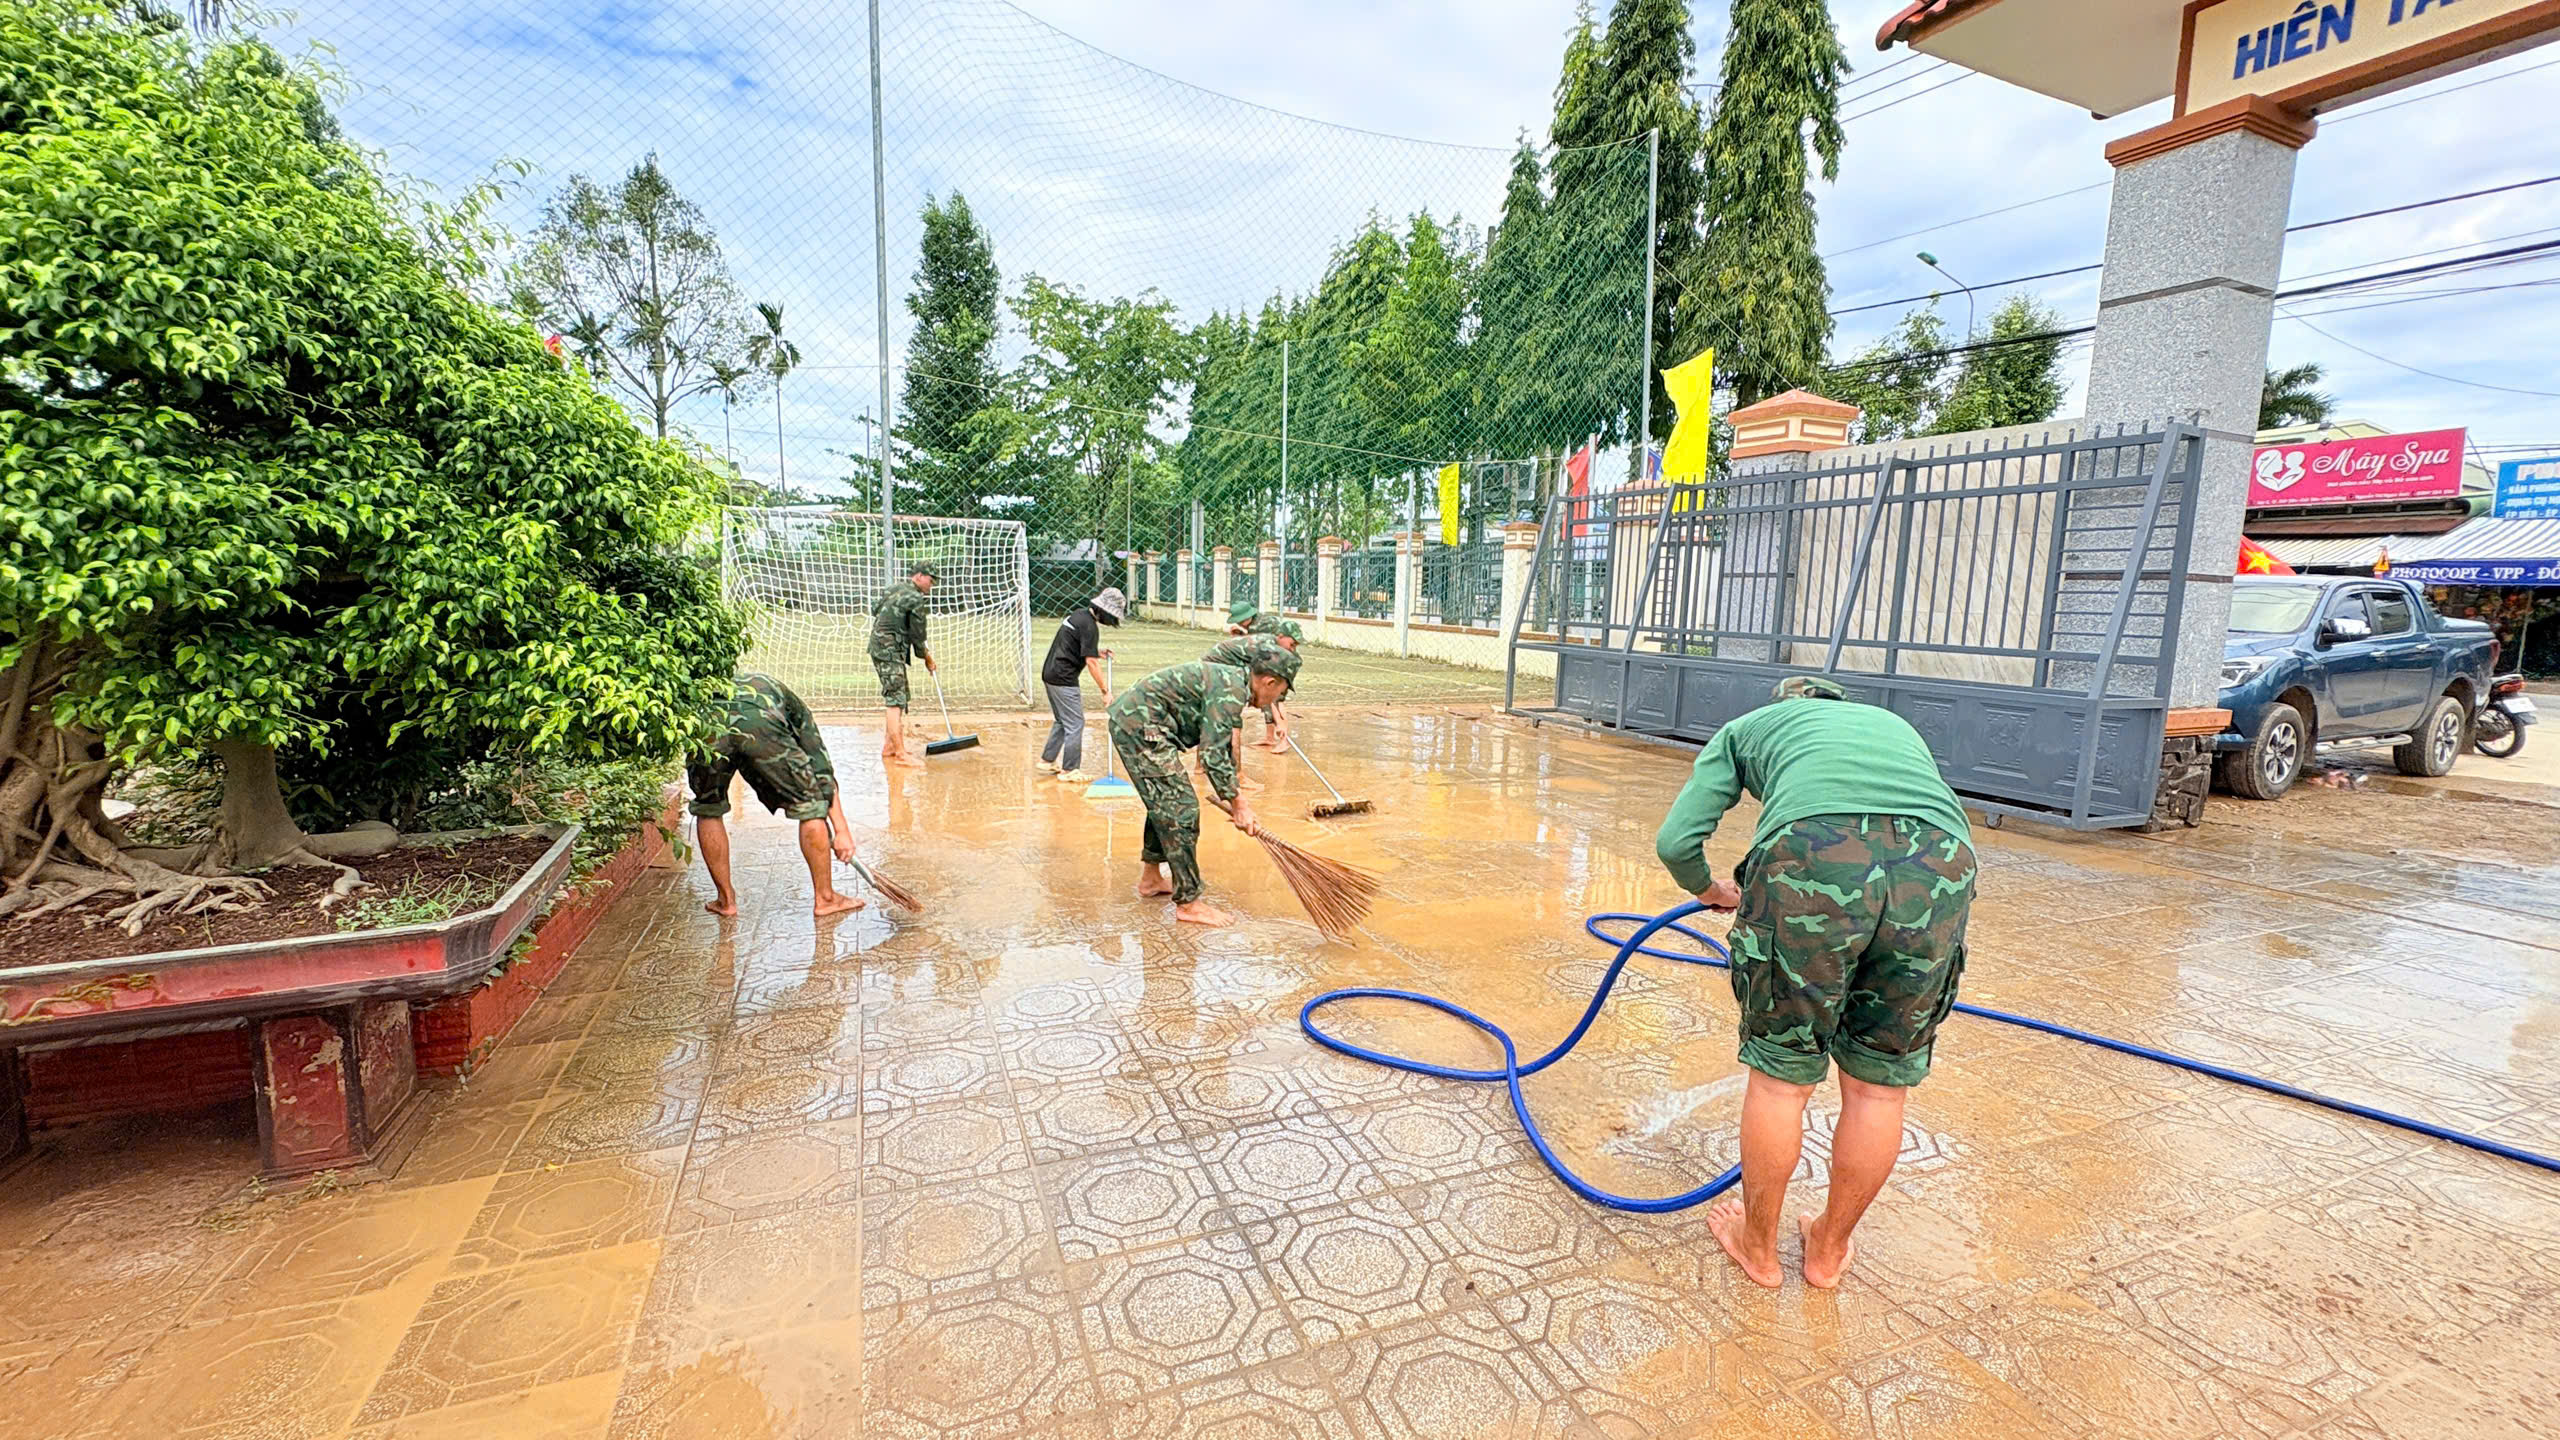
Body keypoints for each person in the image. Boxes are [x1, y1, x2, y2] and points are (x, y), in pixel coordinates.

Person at [1653, 675, 1976, 1291]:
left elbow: (1676, 841)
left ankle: (1760, 1249)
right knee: (1879, 1090)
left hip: (1812, 854)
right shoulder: (1892, 725)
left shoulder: (1749, 729)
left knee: (1781, 1080)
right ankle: (1827, 1250)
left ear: (1787, 705)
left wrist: (1710, 890)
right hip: (1941, 865)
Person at [1107, 643, 1300, 928]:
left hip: (1141, 722)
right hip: (1140, 727)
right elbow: (1211, 755)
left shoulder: (1234, 682)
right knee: (1181, 809)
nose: (1278, 697)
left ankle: (1151, 879)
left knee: (1164, 802)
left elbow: (1217, 748)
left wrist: (1236, 800)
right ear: (1270, 681)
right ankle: (1189, 904)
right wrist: (1239, 803)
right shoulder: (1231, 690)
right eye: (1281, 691)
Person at [688, 672, 862, 919]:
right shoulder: (797, 711)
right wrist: (841, 830)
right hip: (761, 722)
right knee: (810, 804)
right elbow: (820, 766)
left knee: (708, 806)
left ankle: (726, 901)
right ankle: (825, 898)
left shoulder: (713, 688)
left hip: (708, 720)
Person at [1038, 587, 1125, 783]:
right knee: (1075, 724)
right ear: (1105, 612)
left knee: (1062, 720)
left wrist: (1097, 651)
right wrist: (1105, 691)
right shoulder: (1090, 626)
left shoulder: (1079, 615)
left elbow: (1079, 647)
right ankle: (1070, 770)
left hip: (1050, 674)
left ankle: (1047, 760)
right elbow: (1091, 662)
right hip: (1063, 679)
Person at [869, 560, 939, 768]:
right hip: (889, 649)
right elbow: (918, 636)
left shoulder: (893, 588)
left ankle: (889, 747)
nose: (932, 585)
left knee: (898, 695)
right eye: (931, 580)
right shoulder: (916, 598)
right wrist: (927, 658)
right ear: (918, 576)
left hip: (879, 646)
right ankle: (900, 753)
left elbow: (875, 609)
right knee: (895, 699)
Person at [1203, 622, 1300, 752]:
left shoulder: (1271, 645)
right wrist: (1280, 723)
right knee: (1229, 710)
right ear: (1281, 636)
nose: (1292, 649)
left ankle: (1273, 738)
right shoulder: (1267, 650)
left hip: (1225, 667)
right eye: (1292, 644)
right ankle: (1218, 758)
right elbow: (1270, 693)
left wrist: (1280, 722)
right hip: (1213, 668)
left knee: (1265, 693)